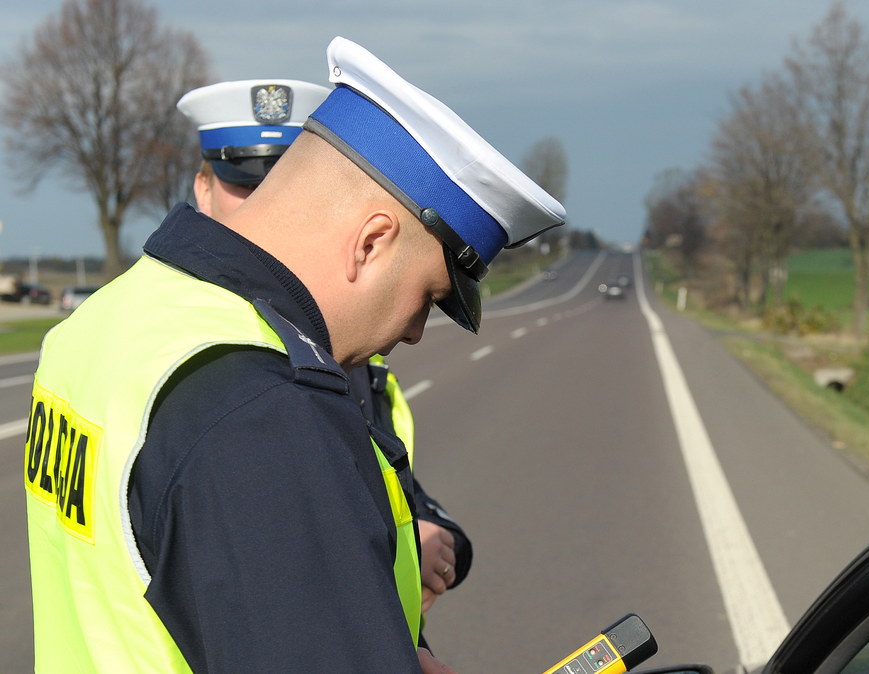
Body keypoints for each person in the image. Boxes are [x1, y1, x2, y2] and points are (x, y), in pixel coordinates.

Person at [24, 36, 565, 672]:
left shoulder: (110, 317)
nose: (416, 331)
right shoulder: (265, 414)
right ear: (371, 243)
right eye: (428, 296)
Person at [177, 77, 471, 614]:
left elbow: (382, 474)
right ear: (202, 190)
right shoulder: (208, 357)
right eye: (246, 185)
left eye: (284, 183)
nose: (269, 207)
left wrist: (436, 532)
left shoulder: (336, 338)